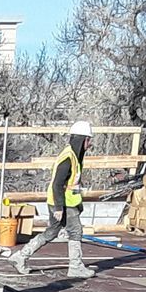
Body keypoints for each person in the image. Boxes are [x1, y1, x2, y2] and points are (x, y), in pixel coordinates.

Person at [12, 120, 94, 279]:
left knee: (51, 232)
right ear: (81, 139)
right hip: (63, 203)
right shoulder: (68, 158)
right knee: (76, 231)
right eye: (88, 140)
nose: (90, 144)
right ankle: (75, 266)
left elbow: (71, 183)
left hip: (66, 202)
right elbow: (57, 184)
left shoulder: (74, 157)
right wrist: (59, 208)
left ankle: (21, 256)